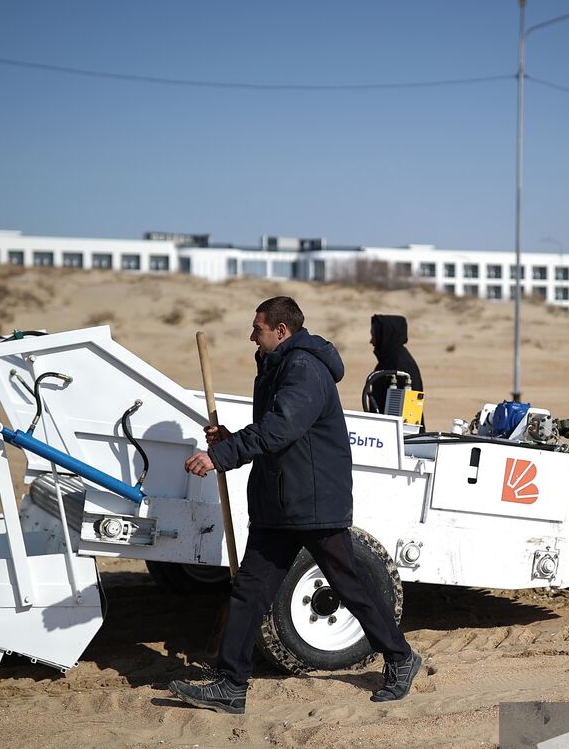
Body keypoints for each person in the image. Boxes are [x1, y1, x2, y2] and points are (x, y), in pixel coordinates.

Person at [171, 296, 421, 714]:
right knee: (249, 590)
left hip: (314, 501)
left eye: (258, 328)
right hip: (280, 501)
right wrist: (230, 437)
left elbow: (281, 428)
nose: (253, 334)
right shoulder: (276, 365)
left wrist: (221, 455)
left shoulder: (303, 368)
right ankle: (231, 685)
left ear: (281, 330)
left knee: (349, 584)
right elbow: (281, 432)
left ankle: (400, 658)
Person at [364, 314, 423, 415]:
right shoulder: (387, 362)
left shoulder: (402, 365)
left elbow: (407, 414)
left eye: (374, 335)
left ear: (386, 336)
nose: (371, 341)